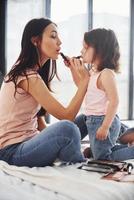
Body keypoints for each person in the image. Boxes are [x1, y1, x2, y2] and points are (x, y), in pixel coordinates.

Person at [0, 18, 89, 167]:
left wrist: (50, 139)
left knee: (89, 118)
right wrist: (84, 82)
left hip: (30, 142)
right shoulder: (27, 76)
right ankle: (79, 162)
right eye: (53, 36)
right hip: (12, 152)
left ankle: (121, 141)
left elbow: (39, 121)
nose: (59, 42)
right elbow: (66, 116)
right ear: (36, 41)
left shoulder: (34, 73)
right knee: (68, 128)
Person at [77, 28, 134, 161]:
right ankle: (100, 147)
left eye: (85, 48)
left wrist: (105, 127)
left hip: (102, 120)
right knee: (99, 151)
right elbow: (82, 87)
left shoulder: (106, 74)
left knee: (103, 157)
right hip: (92, 119)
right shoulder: (93, 71)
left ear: (100, 51)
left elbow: (114, 101)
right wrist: (74, 69)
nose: (81, 51)